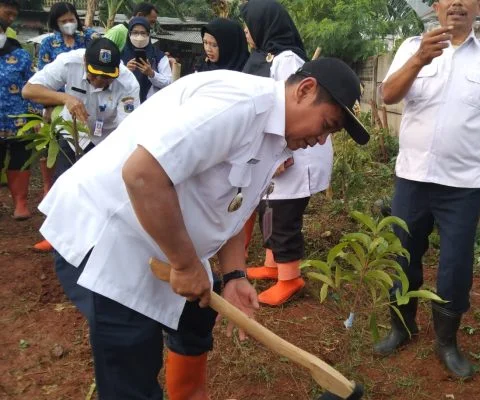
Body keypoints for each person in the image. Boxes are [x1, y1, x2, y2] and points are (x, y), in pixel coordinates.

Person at [37, 57, 368, 399]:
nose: (322, 140)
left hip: (161, 240)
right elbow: (142, 174)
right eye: (327, 125)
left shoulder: (276, 137)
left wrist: (235, 275)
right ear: (305, 89)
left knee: (195, 320)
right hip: (111, 239)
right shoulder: (239, 107)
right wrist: (184, 263)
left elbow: (230, 205)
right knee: (131, 373)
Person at [373, 0, 480, 378]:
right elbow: (388, 95)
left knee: (456, 265)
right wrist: (419, 59)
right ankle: (401, 327)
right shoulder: (411, 47)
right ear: (437, 5)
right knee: (403, 255)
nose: (456, 3)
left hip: (463, 186)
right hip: (412, 178)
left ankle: (446, 342)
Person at [241, 0, 336, 306]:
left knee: (283, 217)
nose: (246, 31)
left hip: (295, 152)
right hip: (282, 151)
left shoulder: (286, 60)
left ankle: (290, 278)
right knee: (268, 207)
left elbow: (294, 111)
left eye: (248, 24)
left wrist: (282, 155)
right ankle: (273, 265)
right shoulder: (273, 57)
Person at [23, 38, 140, 251]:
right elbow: (29, 90)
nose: (100, 81)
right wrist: (64, 98)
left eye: (107, 77)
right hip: (73, 133)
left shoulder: (128, 83)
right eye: (95, 74)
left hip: (108, 137)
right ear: (85, 62)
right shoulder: (69, 63)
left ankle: (96, 239)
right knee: (66, 183)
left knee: (101, 188)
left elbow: (128, 128)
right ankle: (56, 237)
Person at [0, 0, 42, 220]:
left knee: (20, 159)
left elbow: (33, 86)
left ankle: (21, 203)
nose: (10, 19)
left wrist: (35, 116)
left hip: (17, 119)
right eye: (7, 14)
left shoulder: (21, 55)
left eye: (12, 16)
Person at [37, 2, 99, 70]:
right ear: (56, 23)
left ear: (76, 19)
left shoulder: (88, 37)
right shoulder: (48, 43)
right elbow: (43, 72)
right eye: (63, 21)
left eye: (71, 20)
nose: (69, 24)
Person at [121, 17, 171, 102]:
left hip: (150, 105)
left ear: (148, 34)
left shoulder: (159, 56)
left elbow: (169, 83)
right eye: (135, 32)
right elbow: (112, 82)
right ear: (129, 34)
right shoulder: (120, 56)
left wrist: (152, 74)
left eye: (143, 33)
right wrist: (125, 71)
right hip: (126, 104)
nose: (139, 36)